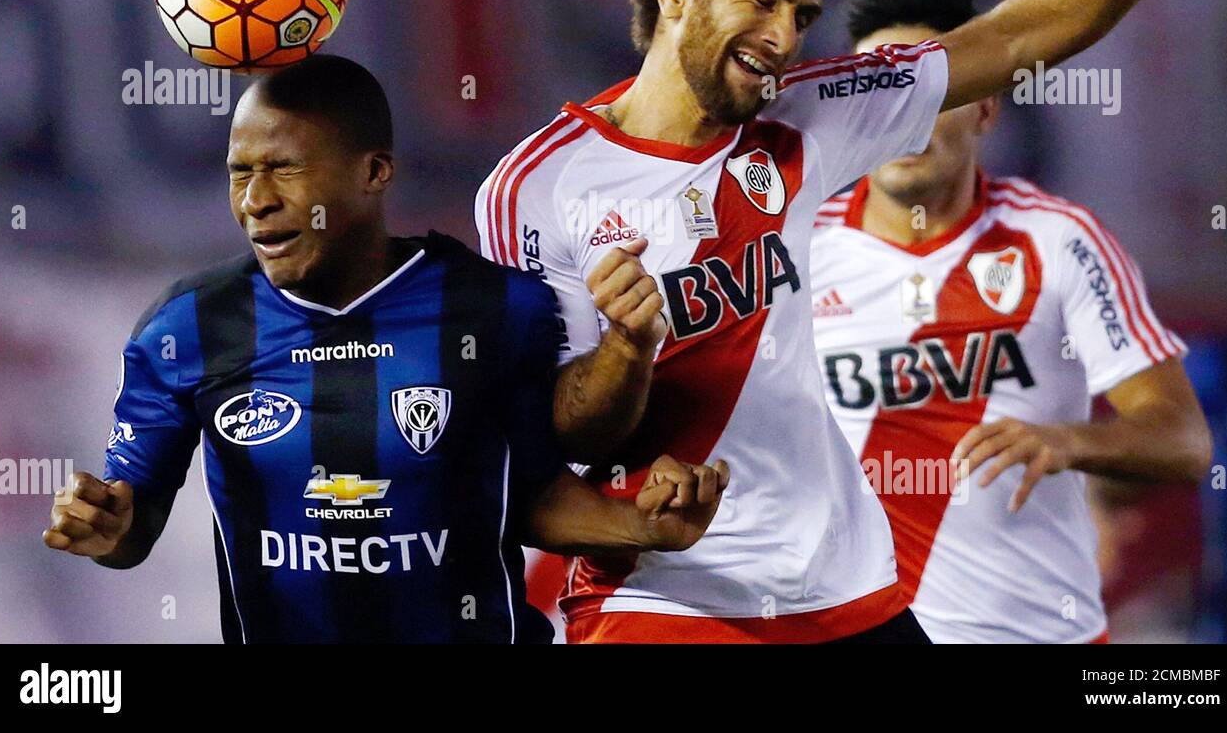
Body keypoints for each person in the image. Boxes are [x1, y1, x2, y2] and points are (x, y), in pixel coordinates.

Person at [477, 0, 1227, 643]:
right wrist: (628, 351)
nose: (783, 37)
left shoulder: (813, 114)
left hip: (849, 593)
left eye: (803, 14)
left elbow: (1014, 37)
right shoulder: (538, 187)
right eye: (764, 0)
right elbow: (563, 435)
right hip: (667, 591)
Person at [44, 55, 727, 643]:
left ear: (374, 172)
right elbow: (131, 521)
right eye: (239, 172)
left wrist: (644, 527)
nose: (255, 200)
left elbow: (530, 497)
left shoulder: (498, 309)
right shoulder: (187, 328)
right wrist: (107, 527)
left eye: (283, 170)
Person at [810, 0, 1210, 643]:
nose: (900, 121)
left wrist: (1068, 441)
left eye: (928, 96)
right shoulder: (797, 253)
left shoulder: (1058, 240)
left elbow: (1184, 441)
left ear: (986, 110)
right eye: (879, 95)